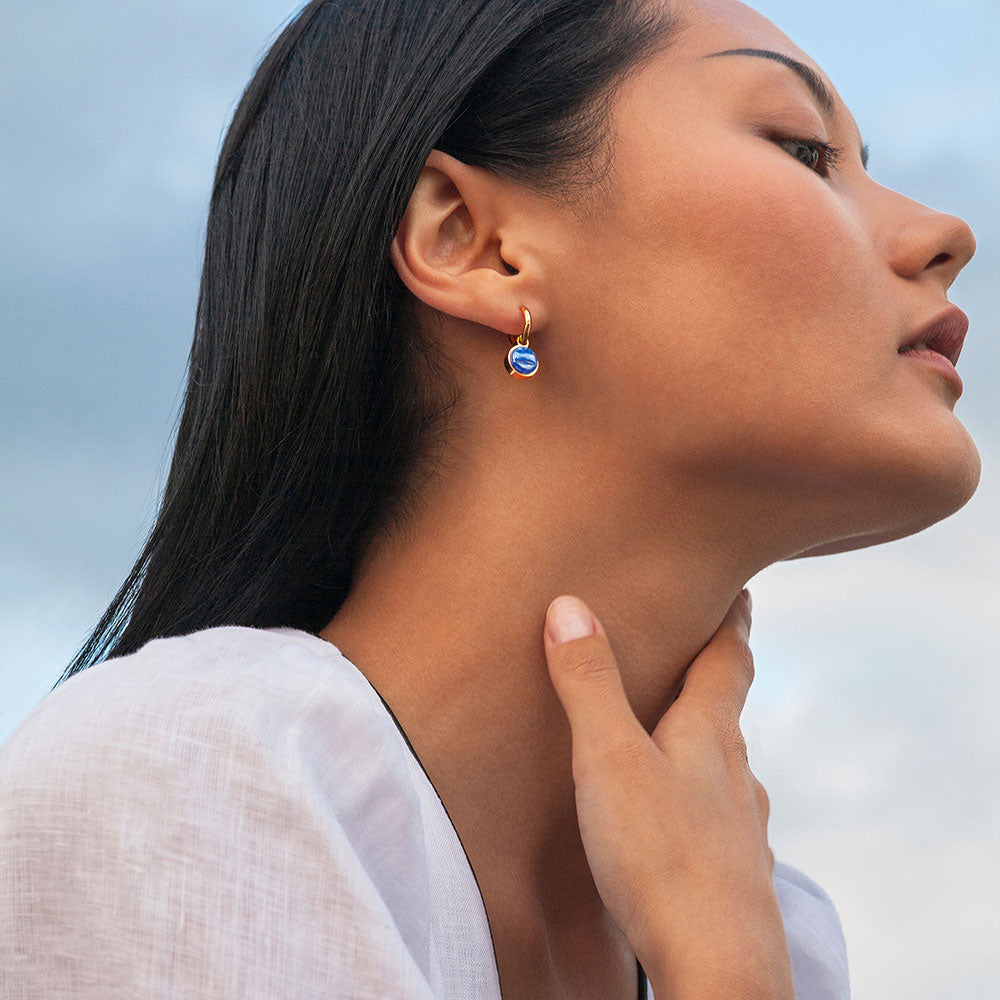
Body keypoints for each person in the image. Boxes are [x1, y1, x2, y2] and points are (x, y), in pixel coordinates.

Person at [0, 0, 978, 996]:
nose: (947, 231)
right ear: (472, 240)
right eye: (806, 152)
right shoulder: (177, 782)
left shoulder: (774, 927)